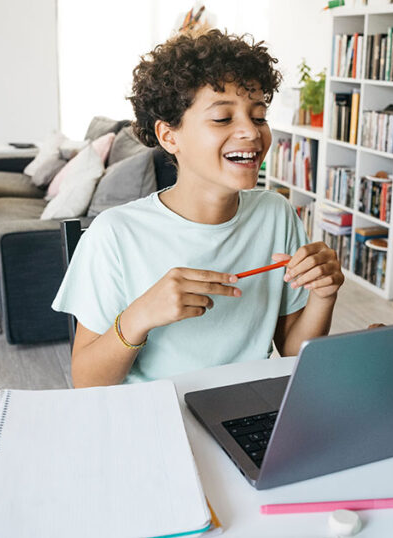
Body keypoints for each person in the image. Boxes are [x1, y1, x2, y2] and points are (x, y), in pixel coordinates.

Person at [54, 31, 344, 387]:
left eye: (259, 117)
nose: (251, 133)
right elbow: (87, 383)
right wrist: (140, 315)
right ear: (169, 136)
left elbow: (293, 353)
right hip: (156, 416)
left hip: (244, 407)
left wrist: (323, 296)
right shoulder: (114, 234)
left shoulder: (276, 213)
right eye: (223, 118)